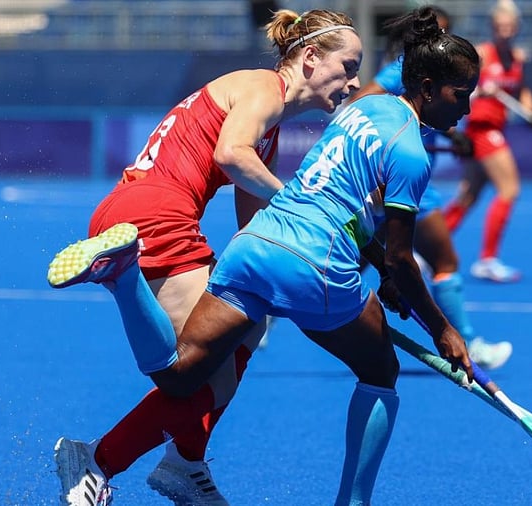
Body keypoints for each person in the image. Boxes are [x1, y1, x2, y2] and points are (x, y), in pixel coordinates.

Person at [47, 6, 479, 505]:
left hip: (138, 211)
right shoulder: (261, 89)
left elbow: (256, 226)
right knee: (190, 376)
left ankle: (186, 461)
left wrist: (322, 265)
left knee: (237, 339)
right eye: (347, 67)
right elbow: (231, 155)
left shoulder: (275, 130)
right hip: (155, 215)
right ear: (311, 58)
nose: (355, 81)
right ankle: (100, 457)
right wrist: (306, 213)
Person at [348, 5, 512, 370]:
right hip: (402, 184)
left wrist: (453, 136)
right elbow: (359, 104)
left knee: (350, 261)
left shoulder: (425, 77)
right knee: (443, 261)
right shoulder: (400, 74)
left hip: (391, 185)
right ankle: (464, 341)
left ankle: (269, 313)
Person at [442, 0, 532, 283]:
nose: (506, 32)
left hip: (497, 127)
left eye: (511, 27)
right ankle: (488, 259)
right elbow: (456, 89)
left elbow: (521, 89)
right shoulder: (481, 55)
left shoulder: (516, 58)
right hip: (481, 129)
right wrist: (479, 92)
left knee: (468, 196)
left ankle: (428, 250)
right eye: (501, 27)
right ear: (493, 27)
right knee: (509, 189)